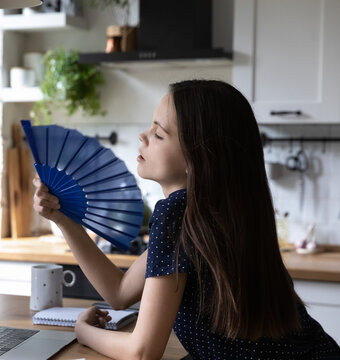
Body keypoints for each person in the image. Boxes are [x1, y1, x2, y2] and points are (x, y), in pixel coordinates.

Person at [32, 79, 340, 359]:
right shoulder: (209, 213)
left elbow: (142, 352)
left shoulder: (176, 213)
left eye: (159, 133)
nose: (143, 135)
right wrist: (64, 219)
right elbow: (120, 292)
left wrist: (84, 332)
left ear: (196, 159)